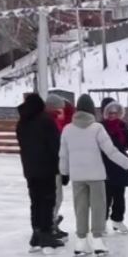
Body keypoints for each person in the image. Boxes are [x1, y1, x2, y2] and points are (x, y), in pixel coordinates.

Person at [60, 94, 128, 257]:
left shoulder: (67, 129)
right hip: (96, 175)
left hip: (77, 176)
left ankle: (81, 242)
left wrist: (64, 172)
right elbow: (111, 152)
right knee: (98, 207)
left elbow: (63, 155)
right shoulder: (97, 128)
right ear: (91, 110)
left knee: (80, 208)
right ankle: (97, 241)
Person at [16, 93, 64, 253]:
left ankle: (36, 234)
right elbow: (55, 146)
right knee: (47, 201)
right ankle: (45, 235)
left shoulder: (22, 123)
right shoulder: (46, 121)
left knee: (35, 201)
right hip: (47, 168)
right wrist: (61, 167)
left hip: (30, 169)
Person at [101, 101, 128, 236]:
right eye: (110, 113)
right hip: (105, 165)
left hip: (121, 165)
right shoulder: (101, 127)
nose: (113, 115)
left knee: (119, 195)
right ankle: (102, 222)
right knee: (105, 196)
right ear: (106, 114)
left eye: (116, 113)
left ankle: (117, 219)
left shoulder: (122, 126)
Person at [45, 93, 75, 241]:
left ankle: (51, 222)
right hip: (50, 168)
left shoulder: (61, 125)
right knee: (53, 197)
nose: (62, 113)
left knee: (57, 197)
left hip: (56, 167)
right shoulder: (51, 124)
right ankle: (49, 225)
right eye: (59, 110)